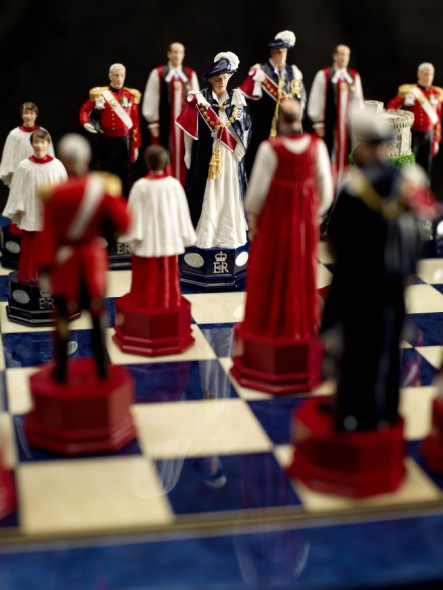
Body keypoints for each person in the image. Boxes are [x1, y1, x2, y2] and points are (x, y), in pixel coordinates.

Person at [321, 108, 438, 432]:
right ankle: (384, 414)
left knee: (354, 351)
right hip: (393, 286)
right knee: (387, 350)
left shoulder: (354, 188)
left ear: (366, 146)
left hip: (358, 287)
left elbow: (334, 241)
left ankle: (348, 415)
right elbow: (423, 231)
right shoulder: (410, 183)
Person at [37, 134, 131, 382]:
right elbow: (126, 223)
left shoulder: (54, 194)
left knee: (62, 317)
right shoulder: (103, 188)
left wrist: (44, 270)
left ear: (64, 161)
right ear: (89, 157)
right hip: (92, 260)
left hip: (64, 263)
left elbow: (46, 236)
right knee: (98, 313)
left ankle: (61, 371)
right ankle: (102, 368)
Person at [239, 98, 333, 338]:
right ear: (300, 117)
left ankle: (273, 320)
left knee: (274, 269)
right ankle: (299, 321)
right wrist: (315, 214)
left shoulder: (271, 148)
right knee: (302, 268)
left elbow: (256, 192)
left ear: (280, 119)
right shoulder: (317, 146)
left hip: (276, 222)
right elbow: (326, 190)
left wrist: (253, 216)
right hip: (304, 223)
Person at [176, 51, 250, 249]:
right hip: (205, 158)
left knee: (228, 192)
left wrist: (239, 148)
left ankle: (228, 235)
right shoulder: (199, 100)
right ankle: (204, 235)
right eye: (218, 78)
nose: (222, 81)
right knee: (205, 193)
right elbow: (189, 129)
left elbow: (245, 129)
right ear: (210, 79)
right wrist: (187, 152)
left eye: (225, 77)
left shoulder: (236, 99)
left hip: (229, 158)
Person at [119, 145, 196, 308]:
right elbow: (182, 213)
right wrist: (185, 235)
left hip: (146, 240)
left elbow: (132, 215)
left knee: (146, 273)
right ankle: (168, 300)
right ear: (165, 162)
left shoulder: (140, 186)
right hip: (169, 238)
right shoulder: (174, 185)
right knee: (167, 272)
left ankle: (145, 302)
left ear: (147, 162)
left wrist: (130, 235)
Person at [3, 129, 67, 282]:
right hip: (30, 210)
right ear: (32, 144)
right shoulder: (24, 166)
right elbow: (17, 190)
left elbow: (64, 191)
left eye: (42, 142)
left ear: (48, 143)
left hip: (48, 213)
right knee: (30, 245)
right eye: (36, 142)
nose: (39, 145)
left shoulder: (56, 166)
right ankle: (28, 275)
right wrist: (18, 208)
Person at [239, 30, 306, 176]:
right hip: (263, 127)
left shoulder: (294, 72)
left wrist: (297, 115)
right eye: (279, 52)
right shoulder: (260, 73)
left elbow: (301, 98)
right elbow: (244, 99)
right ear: (272, 53)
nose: (282, 55)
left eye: (284, 52)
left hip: (287, 127)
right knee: (259, 164)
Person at [307, 44, 364, 191]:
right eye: (341, 54)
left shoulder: (353, 77)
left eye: (346, 55)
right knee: (328, 156)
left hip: (348, 128)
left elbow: (359, 102)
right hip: (330, 126)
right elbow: (316, 99)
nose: (344, 58)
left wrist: (359, 123)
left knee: (348, 157)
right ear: (334, 56)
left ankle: (343, 189)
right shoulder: (324, 75)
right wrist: (318, 123)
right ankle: (327, 191)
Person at [79, 63, 141, 197]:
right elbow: (84, 110)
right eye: (116, 75)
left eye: (122, 75)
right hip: (106, 140)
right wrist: (86, 123)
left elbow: (135, 123)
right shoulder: (101, 94)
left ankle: (123, 200)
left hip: (125, 141)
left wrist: (136, 145)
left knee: (125, 174)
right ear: (110, 76)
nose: (119, 79)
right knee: (105, 172)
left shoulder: (131, 95)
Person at [141, 42, 199, 185]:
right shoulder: (158, 73)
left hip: (184, 126)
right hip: (164, 126)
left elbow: (197, 99)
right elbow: (151, 98)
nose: (177, 55)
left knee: (184, 154)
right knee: (165, 154)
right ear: (168, 54)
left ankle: (184, 188)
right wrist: (153, 122)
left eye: (180, 52)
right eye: (174, 52)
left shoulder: (190, 74)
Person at [387, 62, 443, 177]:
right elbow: (391, 106)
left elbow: (437, 119)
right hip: (412, 133)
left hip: (429, 134)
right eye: (426, 74)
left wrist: (436, 139)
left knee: (426, 165)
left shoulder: (436, 93)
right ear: (419, 74)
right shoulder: (409, 91)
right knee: (409, 163)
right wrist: (399, 117)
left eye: (431, 74)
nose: (429, 77)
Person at [0, 102, 54, 187]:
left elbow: (50, 155)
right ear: (22, 115)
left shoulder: (43, 133)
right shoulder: (14, 135)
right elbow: (8, 157)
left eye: (31, 113)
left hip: (40, 175)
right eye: (26, 113)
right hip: (20, 177)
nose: (28, 116)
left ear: (36, 115)